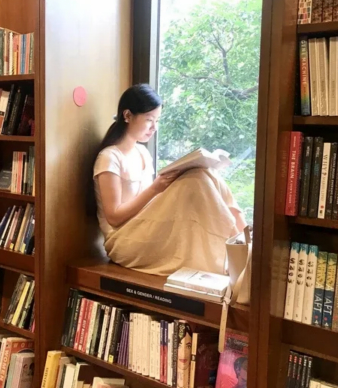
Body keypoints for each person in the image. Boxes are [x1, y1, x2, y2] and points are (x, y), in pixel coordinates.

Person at [93, 84, 247, 276]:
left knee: (206, 172)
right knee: (196, 180)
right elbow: (114, 217)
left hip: (144, 227)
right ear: (127, 115)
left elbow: (150, 203)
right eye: (149, 120)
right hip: (123, 240)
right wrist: (156, 188)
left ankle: (244, 239)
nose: (154, 128)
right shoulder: (109, 157)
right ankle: (239, 250)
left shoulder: (142, 152)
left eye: (157, 121)